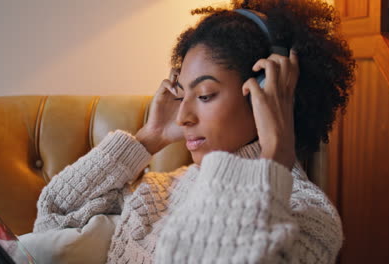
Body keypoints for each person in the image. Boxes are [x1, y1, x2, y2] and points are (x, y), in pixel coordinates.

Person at [29, 0, 355, 263]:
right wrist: (150, 136)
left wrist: (273, 159)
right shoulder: (165, 188)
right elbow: (53, 217)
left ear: (268, 93)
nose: (184, 115)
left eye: (204, 95)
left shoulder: (310, 218)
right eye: (182, 94)